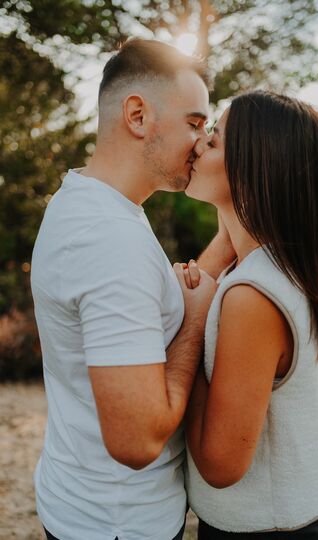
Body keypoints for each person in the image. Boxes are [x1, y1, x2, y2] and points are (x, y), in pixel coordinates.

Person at [30, 38, 222, 540]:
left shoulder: (82, 201)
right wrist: (197, 320)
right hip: (121, 523)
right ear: (137, 115)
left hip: (79, 500)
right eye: (195, 123)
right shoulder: (110, 238)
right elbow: (136, 442)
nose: (202, 143)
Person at [180, 91, 318, 539]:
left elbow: (220, 464)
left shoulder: (253, 298)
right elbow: (219, 261)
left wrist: (189, 329)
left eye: (213, 141)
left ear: (253, 171)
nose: (197, 144)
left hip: (262, 530)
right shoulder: (284, 263)